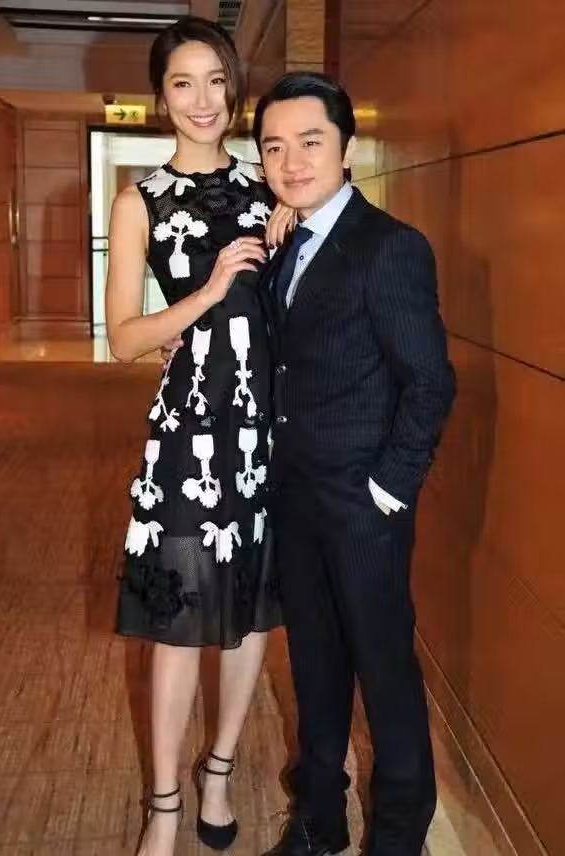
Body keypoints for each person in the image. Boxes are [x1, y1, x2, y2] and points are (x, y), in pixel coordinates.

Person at [252, 72, 457, 856]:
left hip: (363, 507)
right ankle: (320, 819)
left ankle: (398, 837)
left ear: (347, 148)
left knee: (384, 673)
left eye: (310, 142)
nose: (292, 162)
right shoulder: (288, 244)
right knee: (314, 666)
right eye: (275, 147)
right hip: (296, 496)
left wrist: (386, 490)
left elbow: (430, 382)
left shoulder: (390, 247)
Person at [105, 17, 291, 856]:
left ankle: (219, 770)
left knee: (250, 613)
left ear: (236, 87)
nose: (203, 100)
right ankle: (164, 803)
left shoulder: (272, 186)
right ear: (160, 97)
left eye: (217, 80)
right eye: (183, 83)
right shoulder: (138, 199)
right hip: (188, 431)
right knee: (176, 620)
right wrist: (206, 294)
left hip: (266, 426)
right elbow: (124, 339)